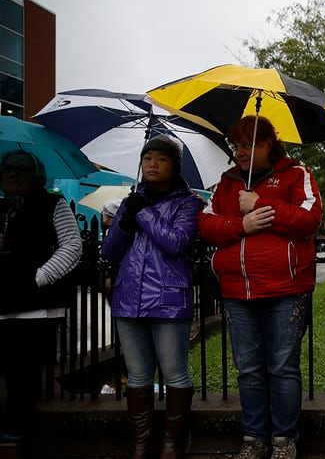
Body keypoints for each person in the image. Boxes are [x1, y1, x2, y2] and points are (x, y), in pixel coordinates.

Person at [199, 115, 322, 459]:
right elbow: (206, 225)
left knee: (283, 368)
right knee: (248, 369)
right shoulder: (225, 184)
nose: (241, 151)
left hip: (286, 290)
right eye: (237, 145)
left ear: (271, 145)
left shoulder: (298, 175)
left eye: (251, 144)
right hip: (238, 292)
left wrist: (261, 204)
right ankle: (254, 439)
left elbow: (309, 219)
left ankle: (284, 440)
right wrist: (243, 224)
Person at [102, 135, 204, 459]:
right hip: (128, 298)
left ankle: (173, 443)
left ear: (175, 165)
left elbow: (176, 243)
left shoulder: (188, 204)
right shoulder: (132, 201)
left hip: (168, 301)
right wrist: (125, 220)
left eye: (161, 158)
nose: (152, 164)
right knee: (137, 375)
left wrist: (144, 214)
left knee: (175, 372)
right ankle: (141, 443)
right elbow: (110, 251)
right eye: (147, 158)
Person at [0, 150, 82, 444]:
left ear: (35, 175)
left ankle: (16, 426)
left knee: (23, 366)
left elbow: (72, 245)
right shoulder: (2, 209)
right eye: (7, 169)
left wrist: (38, 277)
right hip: (5, 299)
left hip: (37, 302)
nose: (12, 175)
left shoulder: (52, 204)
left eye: (20, 170)